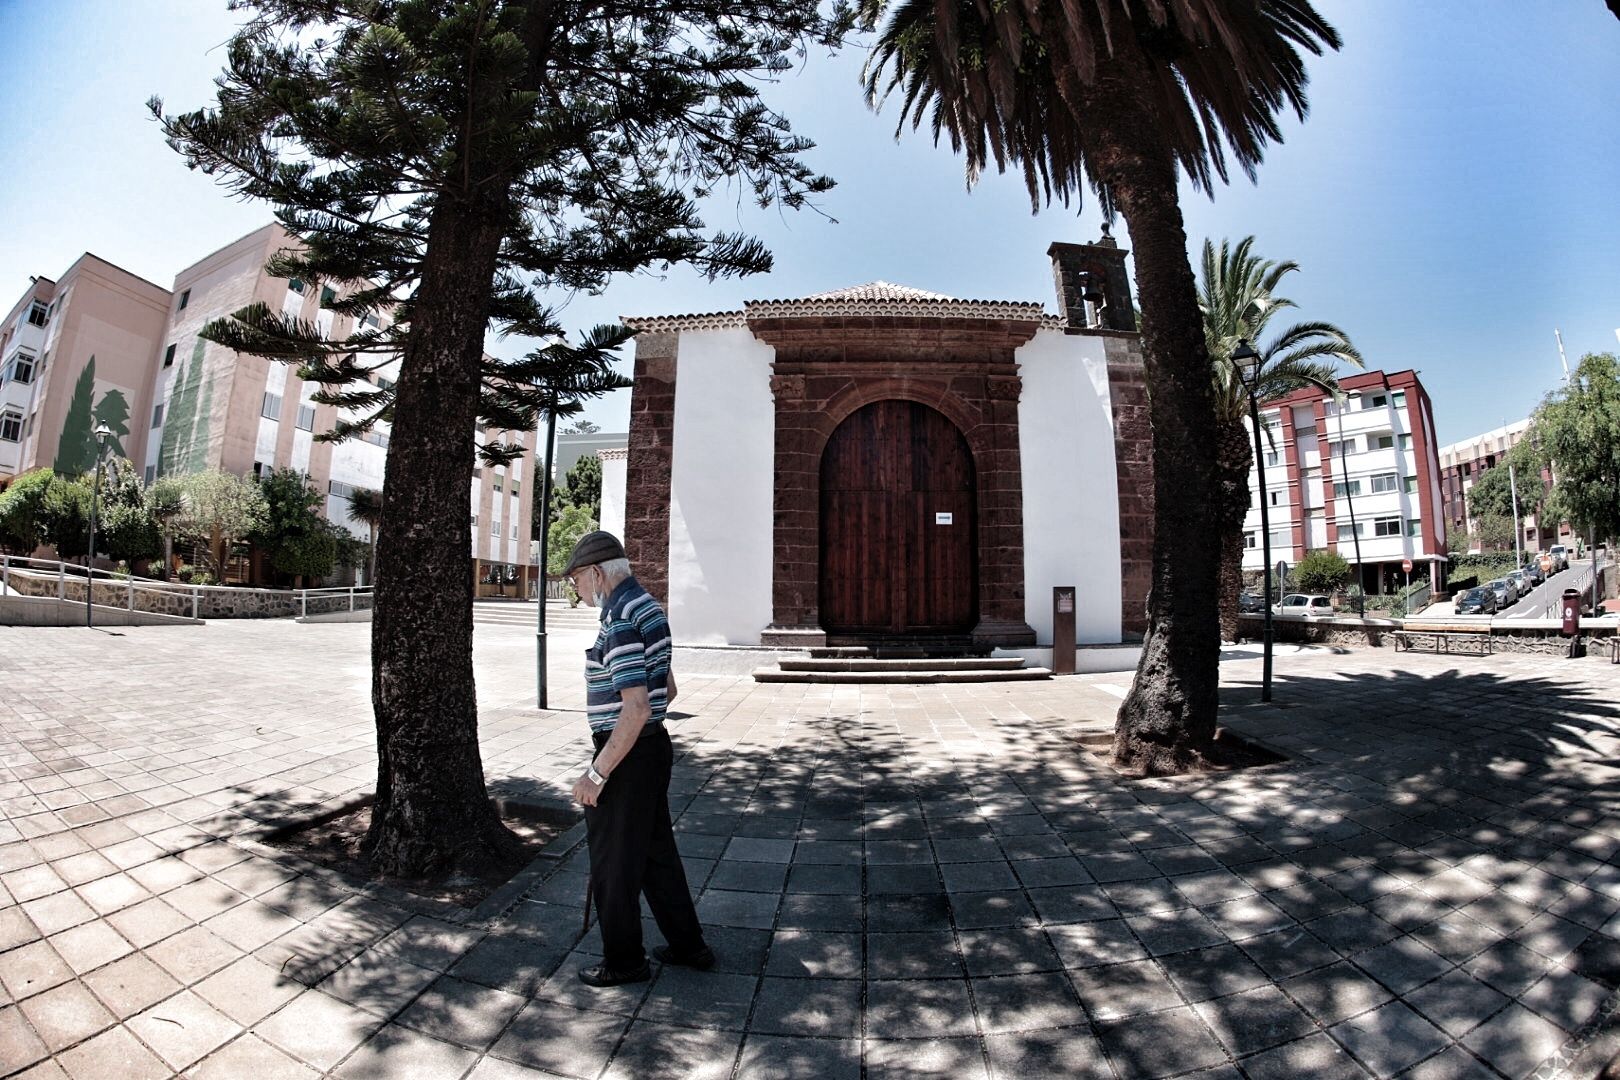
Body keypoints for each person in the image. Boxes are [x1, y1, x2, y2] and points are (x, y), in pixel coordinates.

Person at [562, 530, 712, 987]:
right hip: (651, 748)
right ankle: (689, 947)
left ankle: (624, 960)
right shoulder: (647, 606)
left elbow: (636, 705)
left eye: (575, 580)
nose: (574, 588)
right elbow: (669, 689)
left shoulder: (620, 617)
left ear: (595, 573)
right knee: (654, 854)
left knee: (612, 861)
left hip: (626, 751)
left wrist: (596, 772)